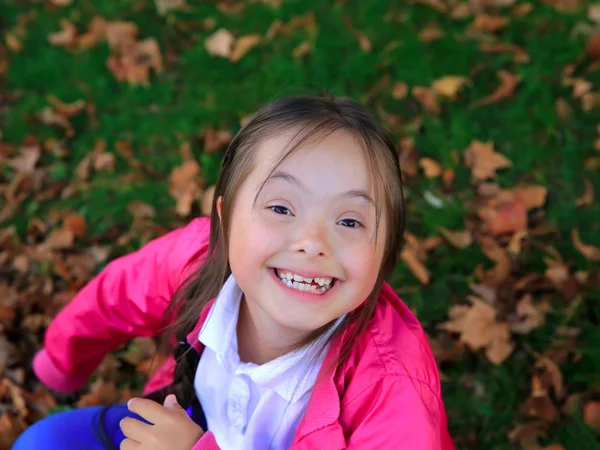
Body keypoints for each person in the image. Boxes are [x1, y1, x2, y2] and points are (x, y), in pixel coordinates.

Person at [13, 95, 455, 450]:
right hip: (184, 420)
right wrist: (61, 365)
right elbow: (114, 296)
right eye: (281, 208)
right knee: (44, 442)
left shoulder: (393, 391)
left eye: (349, 221)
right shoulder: (197, 259)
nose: (313, 242)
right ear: (225, 220)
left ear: (387, 249)